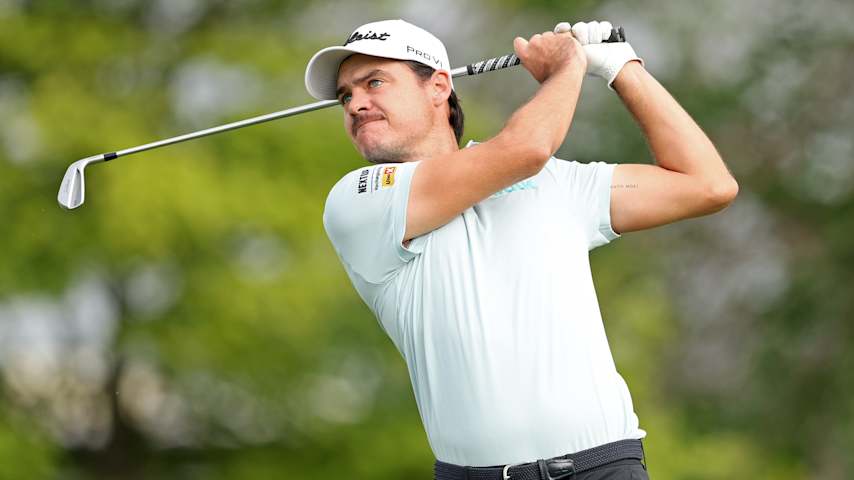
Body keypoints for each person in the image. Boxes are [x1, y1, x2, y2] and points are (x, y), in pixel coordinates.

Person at [305, 18, 737, 480]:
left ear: (438, 87)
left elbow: (708, 185)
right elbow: (526, 148)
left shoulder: (556, 181)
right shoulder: (358, 201)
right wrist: (568, 66)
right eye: (346, 95)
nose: (356, 104)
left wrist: (620, 66)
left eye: (374, 82)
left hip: (604, 466)